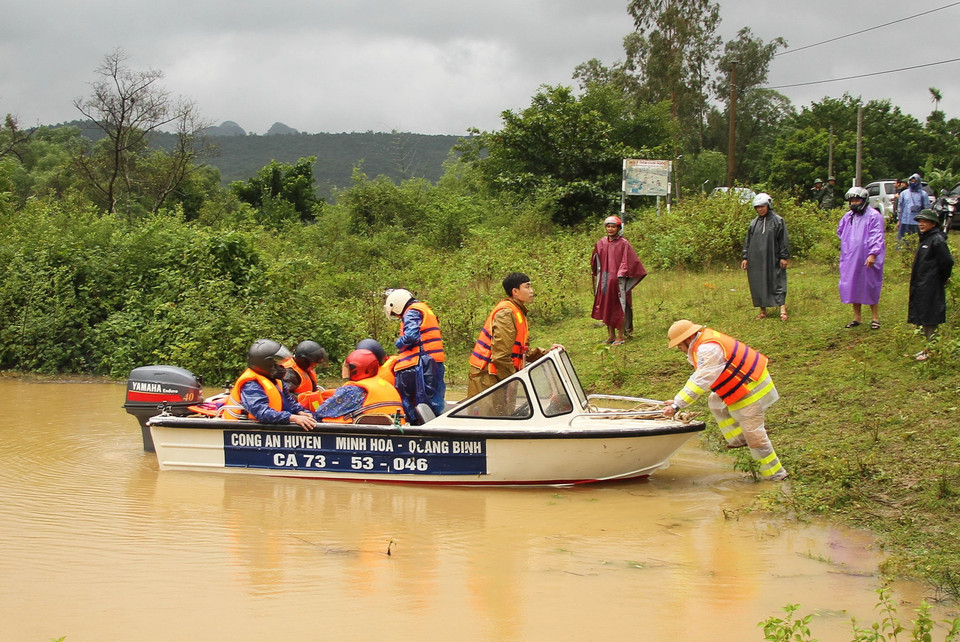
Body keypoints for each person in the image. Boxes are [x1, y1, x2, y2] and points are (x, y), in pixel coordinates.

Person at [662, 320, 788, 481]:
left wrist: (676, 405)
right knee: (715, 402)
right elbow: (701, 376)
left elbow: (701, 380)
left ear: (689, 338)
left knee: (754, 435)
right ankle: (739, 441)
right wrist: (676, 401)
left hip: (752, 386)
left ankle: (775, 476)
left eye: (680, 345)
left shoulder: (708, 349)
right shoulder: (703, 342)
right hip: (744, 381)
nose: (679, 348)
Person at [467, 272, 563, 397]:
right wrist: (512, 379)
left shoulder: (517, 312)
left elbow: (521, 352)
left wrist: (546, 353)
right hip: (487, 378)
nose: (531, 291)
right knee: (492, 416)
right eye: (527, 287)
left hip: (500, 376)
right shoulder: (506, 313)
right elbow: (500, 356)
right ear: (515, 291)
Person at [219, 339, 318, 431]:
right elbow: (261, 412)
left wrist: (300, 412)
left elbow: (288, 401)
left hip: (274, 422)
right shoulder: (251, 384)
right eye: (277, 363)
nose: (282, 366)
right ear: (266, 364)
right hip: (240, 430)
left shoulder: (274, 379)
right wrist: (293, 418)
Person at [383, 288, 446, 422]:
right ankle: (435, 426)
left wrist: (398, 343)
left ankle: (418, 428)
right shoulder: (423, 308)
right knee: (434, 400)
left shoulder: (411, 312)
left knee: (419, 402)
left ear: (397, 304)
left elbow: (411, 336)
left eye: (395, 313)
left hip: (421, 364)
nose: (397, 316)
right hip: (433, 361)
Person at [590, 215, 647, 344]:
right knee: (606, 306)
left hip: (618, 281)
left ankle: (620, 336)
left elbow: (630, 261)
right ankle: (611, 336)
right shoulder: (601, 243)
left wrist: (621, 274)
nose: (610, 229)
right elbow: (595, 262)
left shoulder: (624, 243)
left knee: (619, 306)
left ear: (618, 228)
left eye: (613, 227)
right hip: (605, 280)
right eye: (608, 226)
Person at [908, 209, 954, 360]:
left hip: (931, 283)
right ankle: (926, 349)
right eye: (920, 221)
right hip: (921, 283)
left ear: (933, 223)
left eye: (925, 221)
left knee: (930, 316)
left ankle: (932, 350)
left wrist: (942, 277)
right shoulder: (925, 239)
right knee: (922, 314)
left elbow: (947, 261)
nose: (921, 224)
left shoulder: (937, 240)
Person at [838, 186, 886, 329]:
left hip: (868, 257)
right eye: (851, 200)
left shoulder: (874, 216)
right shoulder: (848, 216)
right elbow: (840, 231)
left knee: (870, 284)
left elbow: (877, 235)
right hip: (851, 257)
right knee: (853, 284)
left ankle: (875, 318)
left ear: (864, 200)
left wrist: (873, 254)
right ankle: (857, 318)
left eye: (857, 200)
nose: (854, 203)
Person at [313, 349, 404, 423]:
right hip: (394, 432)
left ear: (355, 369)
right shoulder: (386, 385)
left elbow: (322, 411)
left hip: (369, 436)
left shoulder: (353, 391)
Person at [741, 193, 789, 321]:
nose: (760, 209)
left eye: (762, 206)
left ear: (768, 205)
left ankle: (782, 310)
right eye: (757, 207)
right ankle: (763, 311)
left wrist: (783, 256)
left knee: (777, 280)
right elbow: (748, 241)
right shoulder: (754, 223)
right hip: (756, 258)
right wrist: (745, 257)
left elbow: (783, 240)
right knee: (758, 282)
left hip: (773, 257)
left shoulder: (778, 221)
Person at [897, 173, 930, 243]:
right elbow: (900, 207)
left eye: (914, 182)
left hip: (917, 222)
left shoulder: (923, 194)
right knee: (903, 240)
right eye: (911, 181)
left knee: (917, 240)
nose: (913, 183)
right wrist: (899, 220)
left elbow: (927, 208)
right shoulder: (904, 193)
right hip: (905, 220)